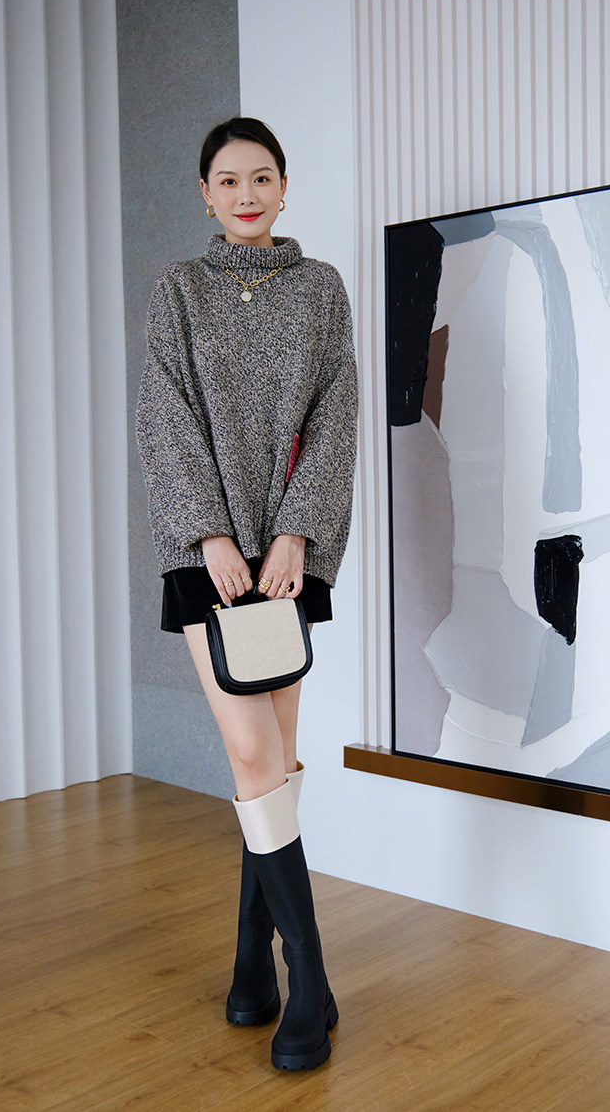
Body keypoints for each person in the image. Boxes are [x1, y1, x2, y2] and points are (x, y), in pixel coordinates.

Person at [136, 117, 358, 1071]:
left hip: (287, 556)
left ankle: (250, 968)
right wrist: (211, 533)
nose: (246, 194)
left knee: (275, 764)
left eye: (261, 176)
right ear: (205, 194)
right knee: (252, 748)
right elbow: (164, 413)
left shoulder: (321, 289)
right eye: (228, 180)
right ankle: (310, 978)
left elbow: (338, 410)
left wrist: (298, 531)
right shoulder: (178, 289)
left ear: (283, 185)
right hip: (209, 553)